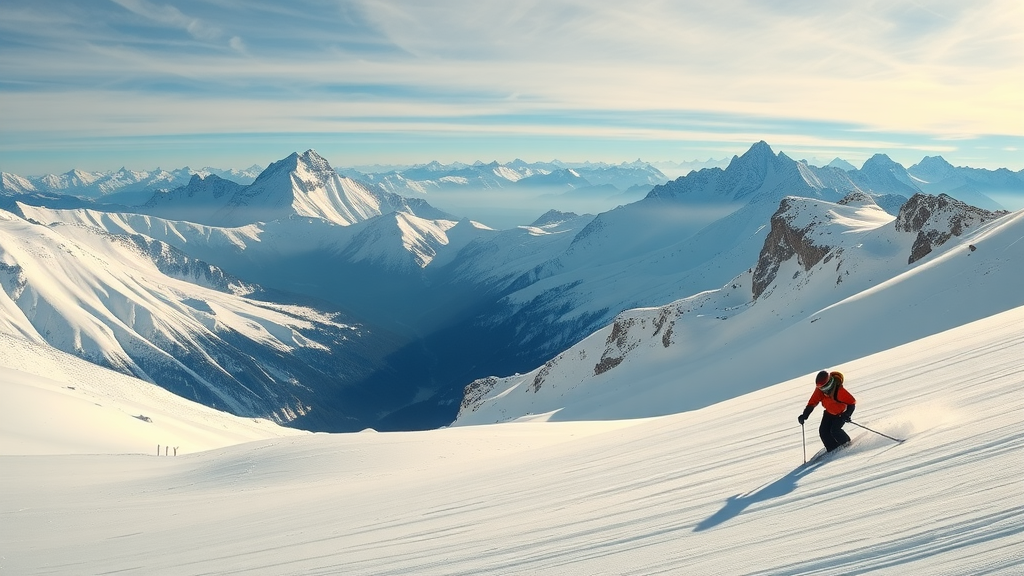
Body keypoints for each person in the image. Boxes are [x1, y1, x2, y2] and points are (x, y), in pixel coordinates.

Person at [798, 370, 856, 452]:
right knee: (823, 432)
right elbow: (812, 403)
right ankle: (832, 448)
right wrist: (805, 415)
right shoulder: (819, 391)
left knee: (835, 430)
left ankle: (847, 444)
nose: (824, 390)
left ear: (830, 383)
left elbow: (852, 403)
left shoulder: (839, 391)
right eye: (822, 388)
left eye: (826, 387)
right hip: (829, 413)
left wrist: (847, 414)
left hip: (841, 414)